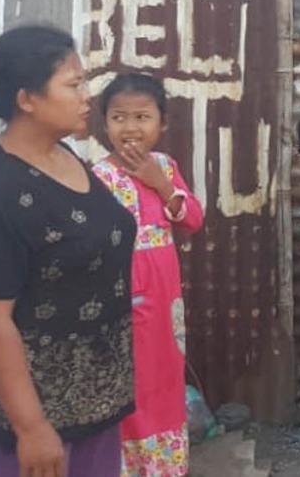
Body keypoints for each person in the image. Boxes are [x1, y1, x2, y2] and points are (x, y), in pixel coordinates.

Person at [0, 25, 135, 477]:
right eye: (73, 85)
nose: (87, 96)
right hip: (32, 413)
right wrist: (31, 427)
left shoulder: (65, 155)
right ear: (27, 98)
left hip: (96, 398)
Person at [91, 73, 205, 476]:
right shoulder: (97, 177)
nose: (131, 128)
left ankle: (163, 467)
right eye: (119, 118)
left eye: (142, 117)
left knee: (164, 378)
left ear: (163, 123)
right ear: (104, 125)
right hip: (120, 301)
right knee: (128, 382)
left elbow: (192, 218)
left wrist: (162, 187)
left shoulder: (165, 167)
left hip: (164, 302)